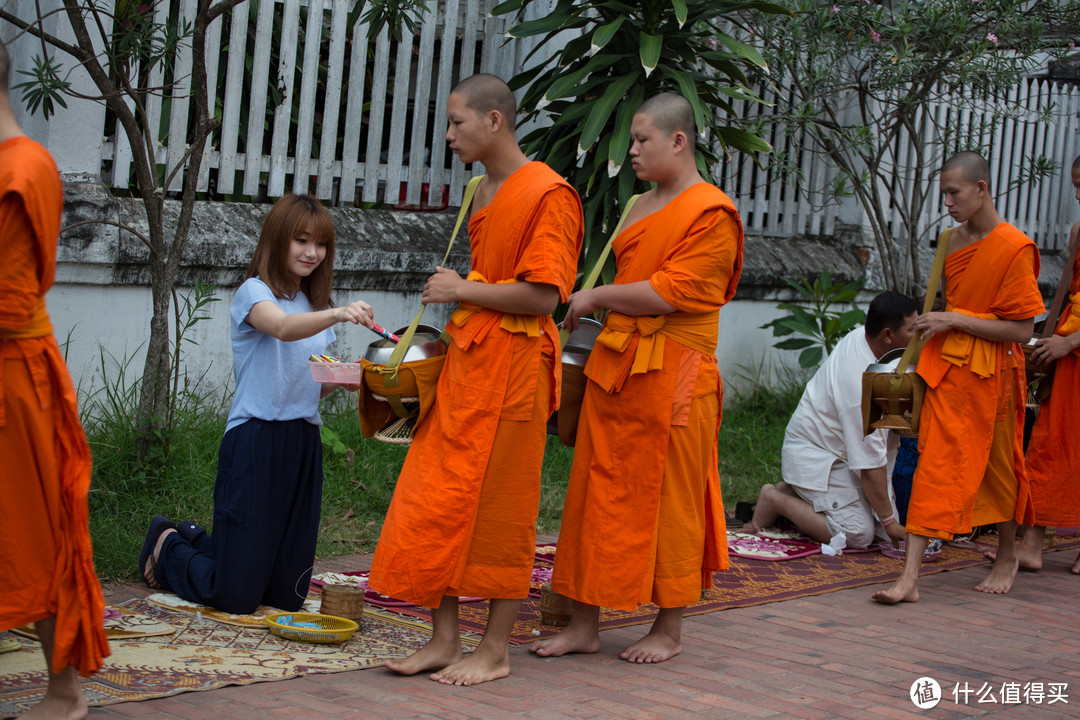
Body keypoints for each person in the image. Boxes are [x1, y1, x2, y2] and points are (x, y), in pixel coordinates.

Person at [367, 73, 583, 686]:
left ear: (495, 121)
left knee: (500, 510)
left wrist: (462, 288)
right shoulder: (480, 189)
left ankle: (494, 649)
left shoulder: (548, 193)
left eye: (457, 121)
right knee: (436, 497)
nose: (449, 134)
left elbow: (544, 296)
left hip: (515, 372)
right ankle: (443, 638)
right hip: (469, 364)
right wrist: (466, 295)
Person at [530, 92, 743, 664]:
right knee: (593, 490)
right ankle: (584, 623)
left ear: (678, 140)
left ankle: (668, 629)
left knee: (672, 497)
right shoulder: (638, 206)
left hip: (677, 372)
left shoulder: (711, 212)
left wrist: (596, 294)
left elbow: (677, 292)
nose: (632, 153)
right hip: (617, 367)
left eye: (642, 140)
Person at [140, 194, 374, 614]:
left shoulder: (313, 304)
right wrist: (338, 314)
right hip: (254, 438)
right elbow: (282, 328)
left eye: (320, 244)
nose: (312, 253)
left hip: (303, 439)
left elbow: (304, 384)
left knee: (287, 595)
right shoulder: (254, 293)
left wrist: (343, 379)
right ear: (277, 239)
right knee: (235, 597)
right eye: (301, 240)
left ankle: (206, 543)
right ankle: (168, 541)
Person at [873, 151, 1044, 604]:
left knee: (998, 468)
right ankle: (909, 578)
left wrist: (955, 319)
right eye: (943, 192)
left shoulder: (1014, 247)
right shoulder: (950, 241)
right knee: (935, 463)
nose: (946, 202)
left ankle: (1007, 553)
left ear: (981, 189)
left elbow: (1023, 330)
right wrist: (944, 324)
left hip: (996, 372)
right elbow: (953, 309)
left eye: (953, 192)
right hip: (949, 368)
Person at [0, 39, 110, 719]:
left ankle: (63, 690)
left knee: (33, 534)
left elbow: (10, 303)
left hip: (13, 381)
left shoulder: (25, 166)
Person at [744, 292, 918, 550]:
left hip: (845, 454)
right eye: (914, 329)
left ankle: (794, 492)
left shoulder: (872, 341)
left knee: (884, 533)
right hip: (816, 454)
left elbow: (888, 443)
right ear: (888, 335)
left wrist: (887, 520)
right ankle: (775, 498)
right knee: (858, 534)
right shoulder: (862, 389)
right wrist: (889, 521)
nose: (920, 336)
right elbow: (871, 467)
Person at [1010, 155, 1080, 573]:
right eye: (1074, 185)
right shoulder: (1078, 231)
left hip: (1072, 345)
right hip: (1066, 354)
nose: (1077, 195)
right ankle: (1032, 543)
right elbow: (1067, 294)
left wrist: (1070, 341)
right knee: (1049, 448)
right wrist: (1051, 338)